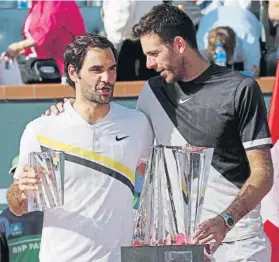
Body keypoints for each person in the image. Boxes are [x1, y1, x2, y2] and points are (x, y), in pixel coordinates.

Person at [46, 4, 274, 262]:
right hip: (183, 248)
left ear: (178, 44)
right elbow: (129, 145)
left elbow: (263, 174)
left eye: (154, 53)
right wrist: (63, 110)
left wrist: (226, 220)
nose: (149, 63)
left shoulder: (240, 88)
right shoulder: (152, 92)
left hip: (240, 244)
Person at [6, 34, 153, 262]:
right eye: (96, 70)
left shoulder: (137, 125)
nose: (107, 78)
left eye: (112, 69)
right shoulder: (42, 129)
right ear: (73, 73)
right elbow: (19, 207)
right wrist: (21, 191)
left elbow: (156, 188)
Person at [1, 0, 86, 76]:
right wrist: (18, 52)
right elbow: (37, 40)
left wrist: (19, 46)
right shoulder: (37, 3)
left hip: (64, 68)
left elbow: (46, 32)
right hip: (45, 67)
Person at [196, 5, 262, 76]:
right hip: (211, 16)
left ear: (235, 46)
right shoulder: (201, 43)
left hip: (247, 16)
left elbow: (254, 74)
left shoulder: (250, 41)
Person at [0, 155, 43, 262]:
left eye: (27, 174)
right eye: (18, 175)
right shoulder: (4, 220)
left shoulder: (50, 214)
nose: (23, 180)